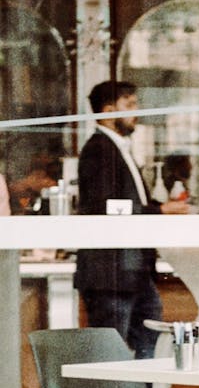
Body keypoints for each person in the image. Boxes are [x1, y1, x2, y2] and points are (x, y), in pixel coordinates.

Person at [74, 80, 188, 358]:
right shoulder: (99, 150)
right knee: (111, 355)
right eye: (130, 105)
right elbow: (108, 207)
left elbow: (125, 202)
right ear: (108, 110)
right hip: (111, 273)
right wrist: (160, 211)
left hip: (131, 270)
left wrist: (160, 207)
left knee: (150, 345)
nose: (137, 111)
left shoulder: (116, 148)